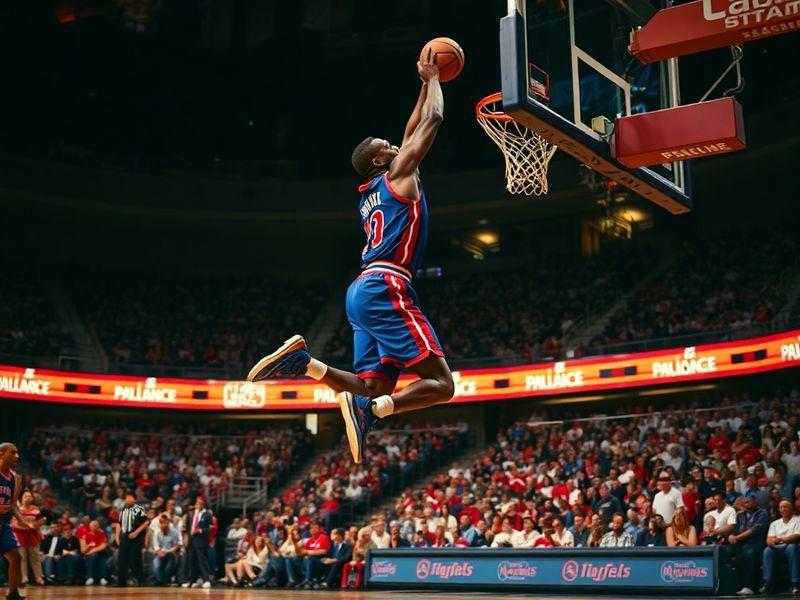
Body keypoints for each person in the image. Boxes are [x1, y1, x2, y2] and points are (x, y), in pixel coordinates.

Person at [246, 58, 455, 465]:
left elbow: (411, 129)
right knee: (442, 385)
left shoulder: (376, 186)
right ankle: (373, 412)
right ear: (381, 161)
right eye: (386, 145)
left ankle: (304, 364)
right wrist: (434, 81)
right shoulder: (400, 174)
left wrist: (423, 82)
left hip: (361, 290)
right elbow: (434, 119)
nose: (395, 143)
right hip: (386, 285)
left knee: (371, 384)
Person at [0, 443, 36, 600]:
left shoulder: (16, 478)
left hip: (4, 524)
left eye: (17, 453)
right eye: (13, 452)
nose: (17, 456)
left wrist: (23, 521)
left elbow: (13, 504)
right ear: (1, 454)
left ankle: (13, 593)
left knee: (16, 557)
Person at [727, 496, 769, 595]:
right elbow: (736, 530)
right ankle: (732, 585)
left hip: (757, 542)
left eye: (748, 502)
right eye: (745, 503)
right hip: (742, 542)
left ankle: (748, 586)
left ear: (755, 502)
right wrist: (731, 536)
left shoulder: (762, 513)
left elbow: (753, 531)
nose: (746, 504)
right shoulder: (740, 515)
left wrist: (736, 538)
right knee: (728, 551)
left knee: (748, 552)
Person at [760, 499, 800, 595]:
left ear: (791, 509)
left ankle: (795, 583)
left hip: (793, 547)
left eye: (786, 506)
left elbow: (797, 536)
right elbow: (769, 539)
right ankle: (767, 583)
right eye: (781, 507)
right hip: (778, 548)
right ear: (779, 510)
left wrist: (781, 540)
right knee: (767, 550)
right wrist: (772, 542)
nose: (783, 509)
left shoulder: (798, 520)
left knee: (791, 547)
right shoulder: (774, 523)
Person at [113, 492, 149, 587]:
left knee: (135, 559)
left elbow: (146, 523)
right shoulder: (122, 509)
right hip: (125, 536)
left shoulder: (139, 509)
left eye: (130, 497)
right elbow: (118, 524)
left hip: (136, 537)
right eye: (126, 497)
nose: (127, 499)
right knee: (122, 559)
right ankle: (121, 581)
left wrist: (136, 532)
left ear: (134, 499)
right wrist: (117, 537)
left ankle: (141, 580)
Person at [12, 491, 44, 587]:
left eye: (30, 496)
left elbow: (41, 521)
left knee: (36, 558)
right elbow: (13, 524)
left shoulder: (36, 509)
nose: (28, 498)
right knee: (22, 558)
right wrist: (27, 527)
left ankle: (39, 578)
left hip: (33, 536)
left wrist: (35, 525)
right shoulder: (18, 509)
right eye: (26, 496)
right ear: (21, 498)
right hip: (20, 536)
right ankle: (24, 577)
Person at [182, 497, 212, 589]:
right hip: (192, 540)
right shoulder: (191, 514)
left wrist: (200, 530)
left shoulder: (207, 514)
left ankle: (206, 580)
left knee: (202, 561)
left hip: (201, 541)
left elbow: (210, 528)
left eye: (200, 503)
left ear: (203, 504)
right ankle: (191, 581)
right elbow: (188, 527)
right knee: (191, 562)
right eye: (197, 503)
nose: (198, 504)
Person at [151, 514, 181, 586]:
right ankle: (162, 581)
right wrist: (159, 551)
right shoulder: (157, 532)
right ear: (160, 524)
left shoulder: (174, 531)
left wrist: (169, 551)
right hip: (160, 553)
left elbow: (177, 545)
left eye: (166, 523)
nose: (165, 525)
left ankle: (161, 581)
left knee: (171, 563)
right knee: (156, 564)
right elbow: (156, 545)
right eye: (163, 523)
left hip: (170, 553)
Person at [82, 520, 109, 586]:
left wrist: (92, 550)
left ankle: (102, 578)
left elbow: (103, 546)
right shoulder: (86, 536)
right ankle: (90, 577)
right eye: (93, 526)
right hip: (90, 555)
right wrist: (88, 546)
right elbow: (83, 550)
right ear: (90, 527)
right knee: (93, 556)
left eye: (96, 526)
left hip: (101, 553)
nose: (95, 527)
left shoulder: (102, 534)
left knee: (102, 558)